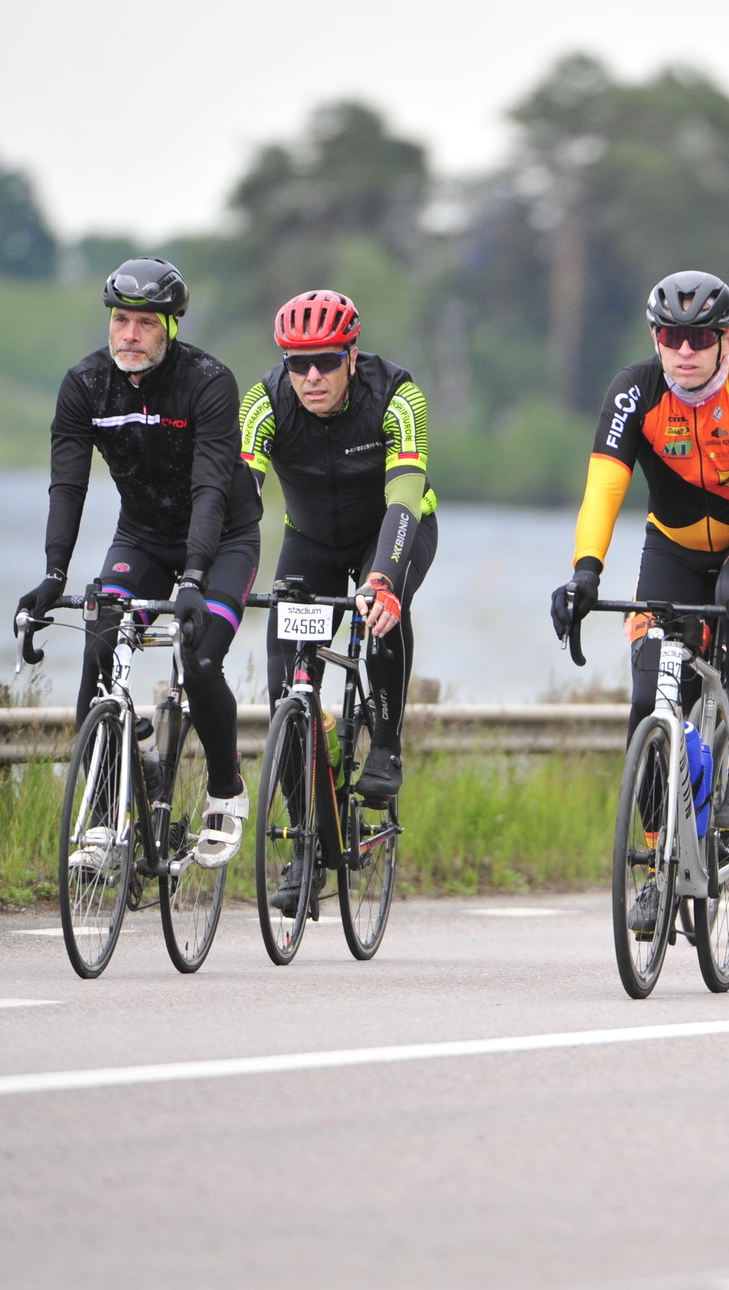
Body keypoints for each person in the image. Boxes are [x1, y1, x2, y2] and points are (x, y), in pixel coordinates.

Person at [549, 272, 729, 928]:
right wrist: (584, 573)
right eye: (670, 336)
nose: (684, 350)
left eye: (700, 338)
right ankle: (660, 863)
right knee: (649, 701)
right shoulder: (634, 390)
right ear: (654, 337)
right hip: (673, 546)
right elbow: (604, 487)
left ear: (727, 339)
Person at [16, 257, 263, 869]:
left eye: (145, 324)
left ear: (170, 328)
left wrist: (194, 576)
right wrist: (53, 574)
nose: (129, 335)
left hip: (223, 537)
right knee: (100, 643)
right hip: (143, 538)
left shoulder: (208, 382)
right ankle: (105, 818)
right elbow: (67, 486)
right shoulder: (84, 385)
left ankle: (226, 790)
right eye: (120, 320)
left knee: (198, 656)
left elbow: (210, 487)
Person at [239, 289, 438, 915]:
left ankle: (385, 743)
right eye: (298, 363)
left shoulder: (397, 395)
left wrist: (384, 579)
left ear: (352, 355)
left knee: (382, 613)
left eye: (326, 361)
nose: (312, 376)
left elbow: (405, 495)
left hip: (394, 529)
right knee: (286, 689)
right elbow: (239, 497)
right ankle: (305, 846)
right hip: (311, 540)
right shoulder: (264, 402)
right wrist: (221, 571)